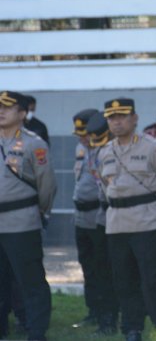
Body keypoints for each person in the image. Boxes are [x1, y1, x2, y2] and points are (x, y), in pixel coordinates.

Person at [98, 98, 156, 341]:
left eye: (122, 116)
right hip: (116, 224)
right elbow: (105, 188)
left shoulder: (153, 148)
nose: (116, 121)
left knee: (151, 279)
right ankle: (132, 328)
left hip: (146, 222)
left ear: (134, 118)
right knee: (124, 280)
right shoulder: (105, 151)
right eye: (111, 117)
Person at [0, 91, 56, 341]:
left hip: (22, 220)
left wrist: (38, 212)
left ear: (23, 113)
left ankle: (36, 331)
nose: (1, 111)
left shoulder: (34, 143)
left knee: (30, 280)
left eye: (8, 108)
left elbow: (47, 186)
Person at [71, 109, 118, 334]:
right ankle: (93, 310)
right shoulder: (82, 149)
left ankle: (108, 315)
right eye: (79, 134)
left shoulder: (107, 150)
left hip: (100, 217)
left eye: (85, 133)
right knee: (88, 268)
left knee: (103, 269)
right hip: (81, 217)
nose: (82, 138)